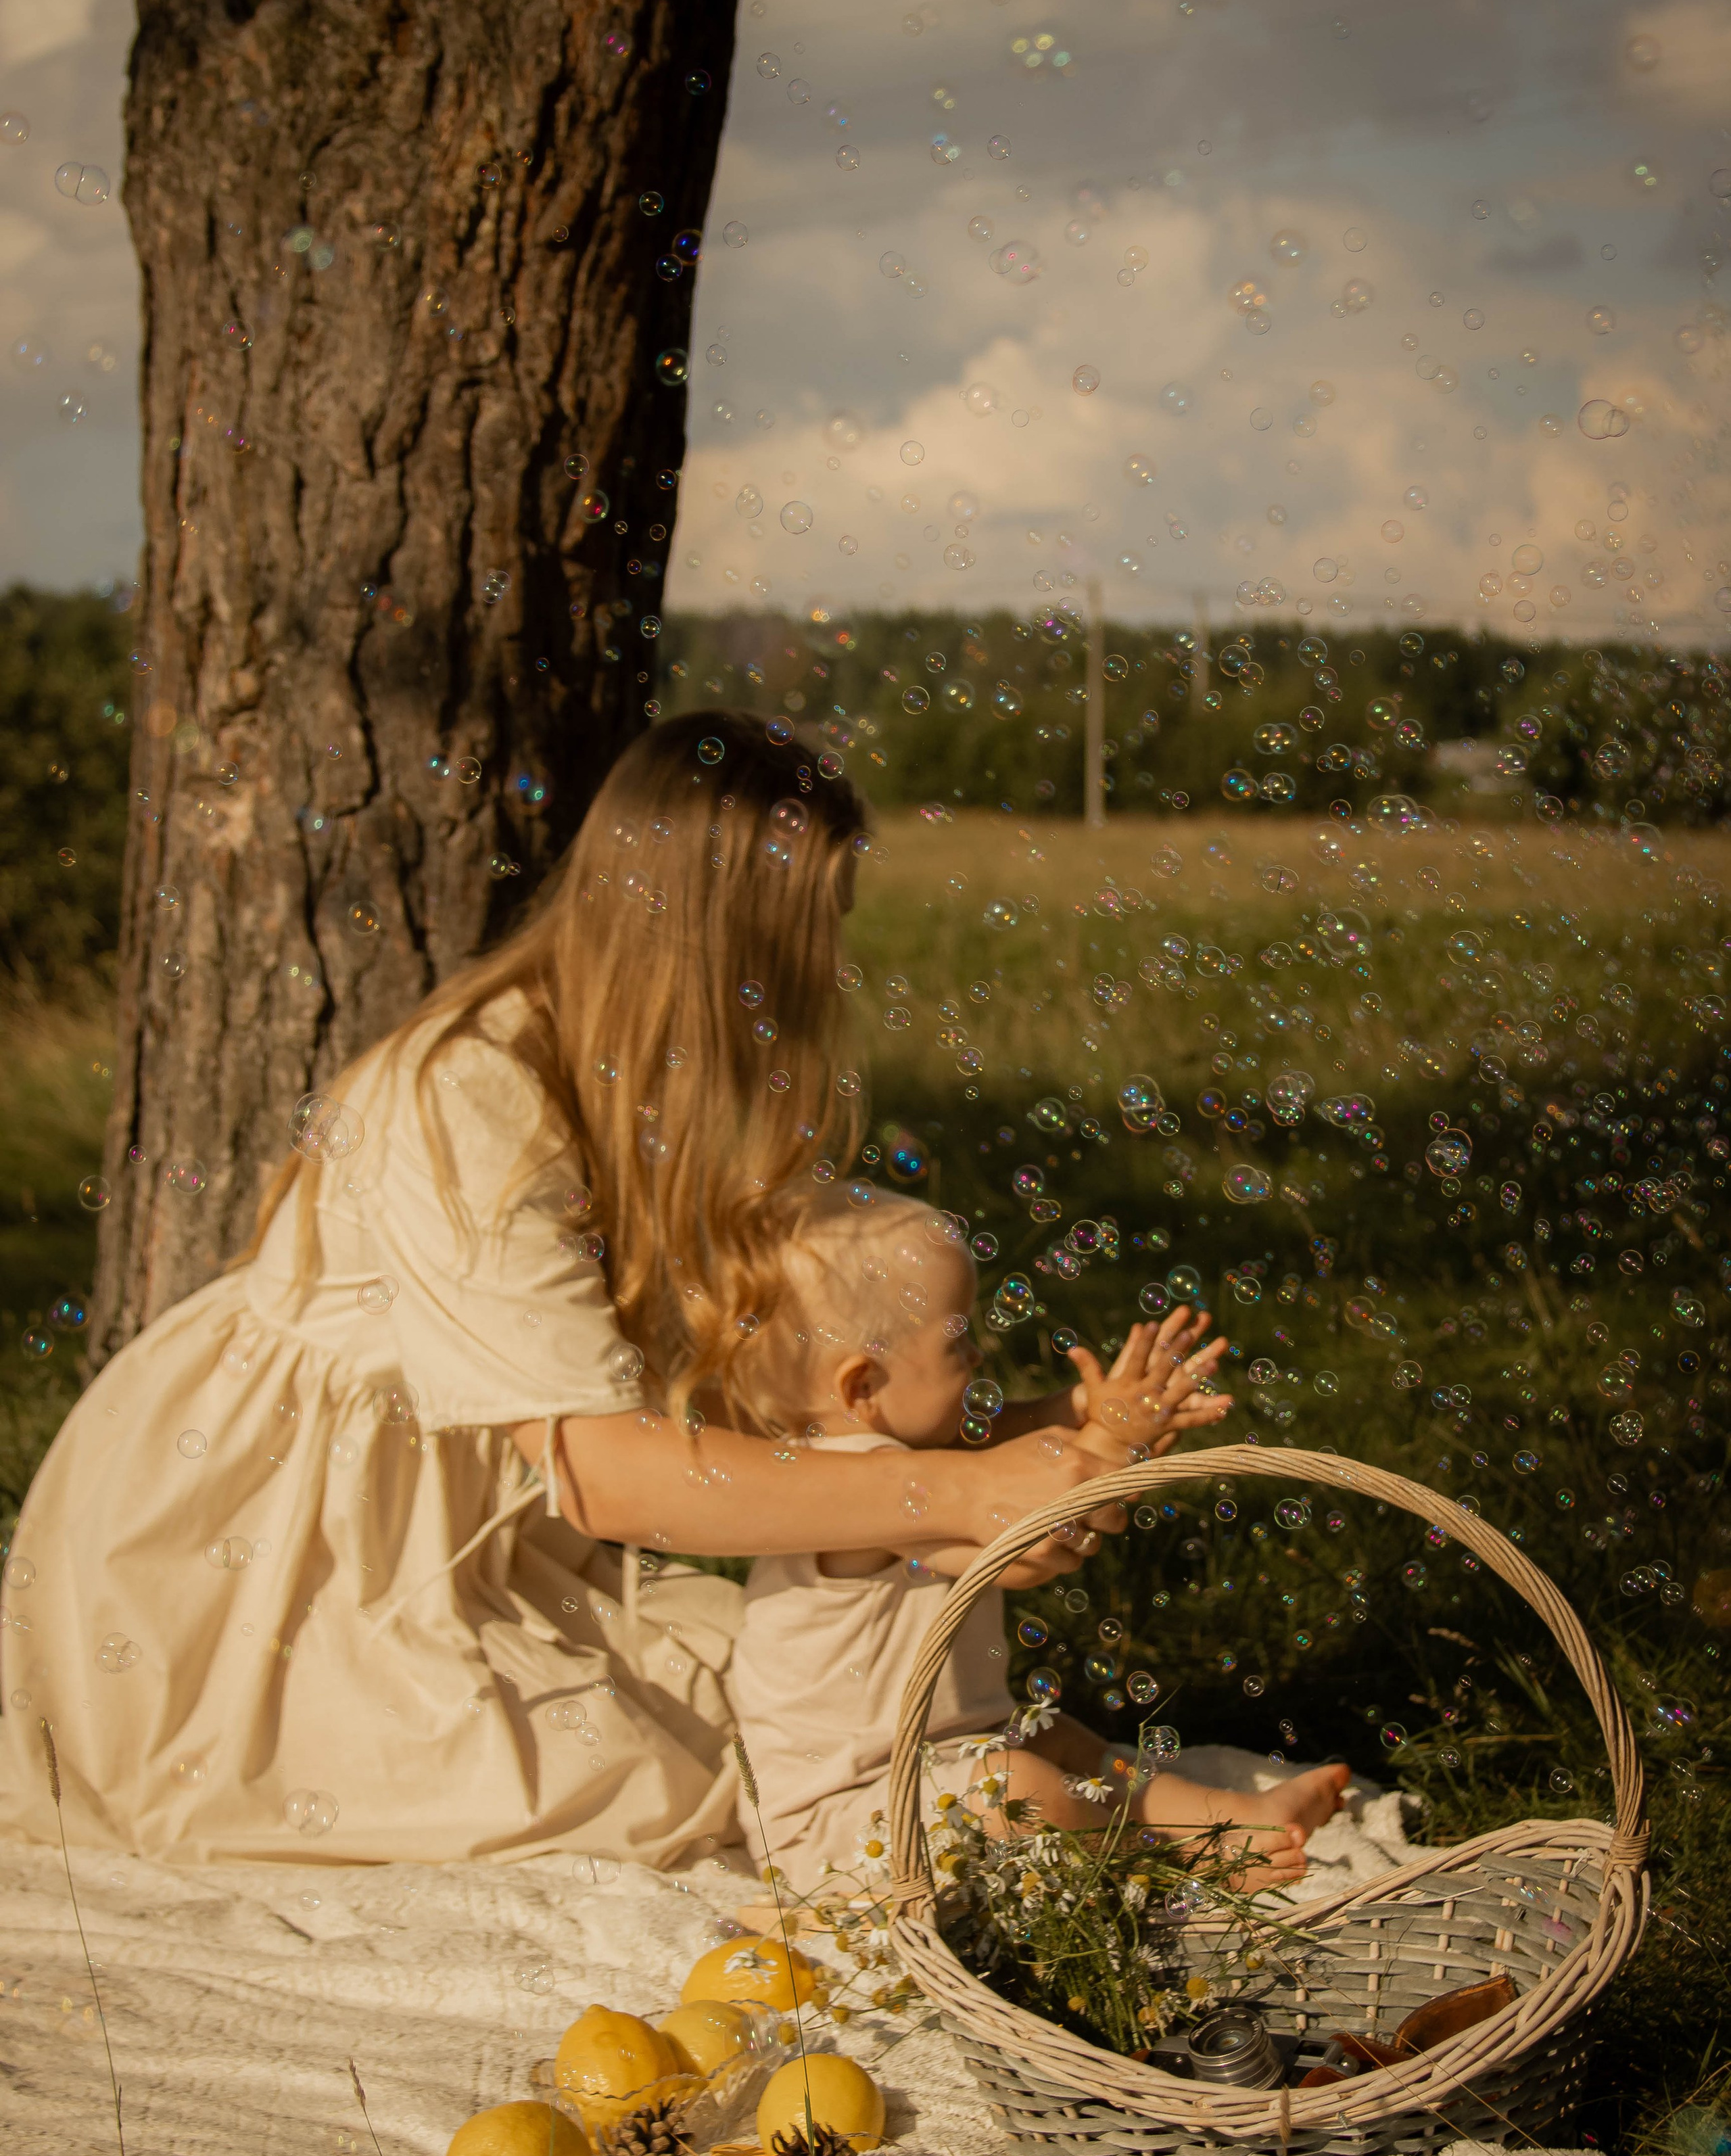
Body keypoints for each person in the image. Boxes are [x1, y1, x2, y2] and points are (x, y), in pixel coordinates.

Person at [0, 714, 1127, 1864]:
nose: (825, 968)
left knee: (744, 1724)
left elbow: (745, 1411)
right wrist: (948, 1500)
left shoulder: (638, 1089)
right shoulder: (468, 1094)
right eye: (805, 928)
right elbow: (605, 1472)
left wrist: (1004, 1461)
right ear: (711, 933)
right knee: (646, 1793)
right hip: (262, 1561)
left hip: (455, 1523)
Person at [726, 1185, 1348, 1894]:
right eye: (958, 1341)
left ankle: (1233, 1820)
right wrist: (1111, 1442)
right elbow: (1018, 1550)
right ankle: (1170, 1863)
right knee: (1019, 1786)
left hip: (938, 1755)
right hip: (841, 1827)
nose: (983, 1357)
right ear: (863, 1387)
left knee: (1051, 1740)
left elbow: (1007, 1434)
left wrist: (1087, 1407)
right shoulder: (858, 1486)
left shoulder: (900, 1451)